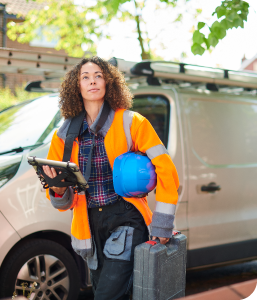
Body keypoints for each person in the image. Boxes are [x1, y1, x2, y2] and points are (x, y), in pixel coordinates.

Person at [43, 56, 180, 300]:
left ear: (108, 83)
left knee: (105, 296)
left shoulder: (132, 122)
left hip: (126, 218)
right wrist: (57, 188)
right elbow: (63, 202)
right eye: (85, 77)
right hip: (90, 226)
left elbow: (166, 169)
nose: (92, 81)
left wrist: (162, 224)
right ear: (77, 86)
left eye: (98, 75)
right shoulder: (63, 135)